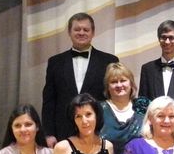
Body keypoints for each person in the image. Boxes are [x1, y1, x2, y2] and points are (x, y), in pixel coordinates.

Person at [42, 12, 119, 146]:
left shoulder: (109, 61)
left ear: (93, 32)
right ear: (69, 32)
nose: (81, 33)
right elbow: (49, 101)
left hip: (99, 131)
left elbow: (114, 99)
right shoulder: (55, 62)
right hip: (63, 132)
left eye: (86, 29)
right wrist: (49, 133)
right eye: (77, 29)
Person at [138, 20, 174, 100]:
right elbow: (142, 103)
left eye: (171, 38)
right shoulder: (147, 69)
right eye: (164, 37)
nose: (167, 42)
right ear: (159, 39)